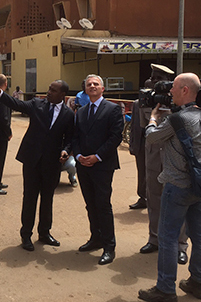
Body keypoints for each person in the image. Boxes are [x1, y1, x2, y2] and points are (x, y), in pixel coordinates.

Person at [138, 73, 201, 302]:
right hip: (199, 185)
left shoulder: (178, 119)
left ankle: (165, 288)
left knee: (168, 237)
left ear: (186, 90)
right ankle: (198, 283)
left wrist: (152, 118)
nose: (170, 92)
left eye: (174, 88)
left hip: (176, 186)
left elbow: (151, 138)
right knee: (199, 234)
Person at [0, 79, 74, 251]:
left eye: (53, 90)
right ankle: (26, 234)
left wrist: (65, 151)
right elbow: (17, 104)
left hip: (52, 163)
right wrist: (0, 94)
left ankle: (44, 233)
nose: (49, 92)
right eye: (49, 88)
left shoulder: (68, 115)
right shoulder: (37, 104)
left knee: (47, 199)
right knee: (30, 198)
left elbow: (69, 138)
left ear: (62, 95)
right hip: (32, 160)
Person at [139, 64, 189, 265]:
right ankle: (154, 239)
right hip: (153, 156)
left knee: (179, 203)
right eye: (152, 77)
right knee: (154, 199)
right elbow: (144, 127)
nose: (153, 81)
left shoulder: (180, 101)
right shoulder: (148, 100)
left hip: (175, 159)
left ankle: (180, 245)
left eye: (158, 78)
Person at [72, 74, 124, 265]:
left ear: (103, 89)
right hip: (83, 165)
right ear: (85, 89)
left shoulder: (112, 109)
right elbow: (75, 137)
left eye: (96, 84)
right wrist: (78, 156)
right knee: (90, 204)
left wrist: (97, 157)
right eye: (89, 84)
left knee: (103, 205)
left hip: (102, 165)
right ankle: (96, 238)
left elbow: (115, 137)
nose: (92, 86)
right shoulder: (82, 111)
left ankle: (109, 246)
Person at [129, 98, 147, 209]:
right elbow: (134, 125)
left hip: (161, 143)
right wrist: (133, 144)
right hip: (141, 143)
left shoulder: (168, 101)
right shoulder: (137, 103)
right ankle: (143, 198)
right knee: (142, 172)